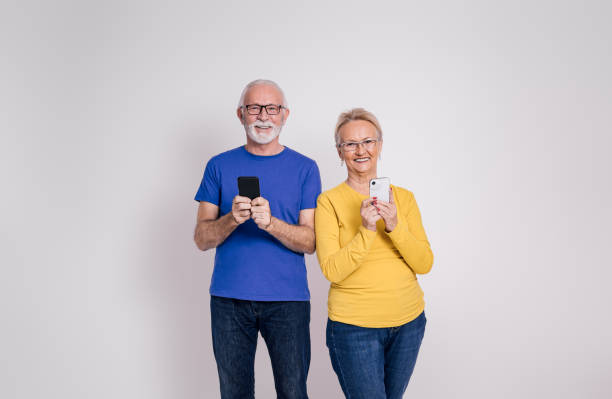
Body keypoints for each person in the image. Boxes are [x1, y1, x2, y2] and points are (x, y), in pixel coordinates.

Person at [193, 79, 321, 399]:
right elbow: (202, 237)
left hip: (288, 301)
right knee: (234, 393)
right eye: (254, 108)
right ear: (241, 114)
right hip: (229, 301)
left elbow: (310, 241)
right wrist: (232, 219)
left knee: (293, 392)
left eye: (272, 108)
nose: (263, 116)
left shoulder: (306, 168)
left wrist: (271, 224)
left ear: (285, 114)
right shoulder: (218, 166)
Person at [314, 108, 433, 399]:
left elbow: (425, 263)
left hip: (408, 323)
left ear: (379, 146)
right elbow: (332, 269)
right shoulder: (328, 202)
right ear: (340, 153)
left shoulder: (403, 198)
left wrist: (394, 226)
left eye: (368, 141)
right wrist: (366, 229)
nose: (360, 150)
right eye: (350, 144)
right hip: (355, 328)